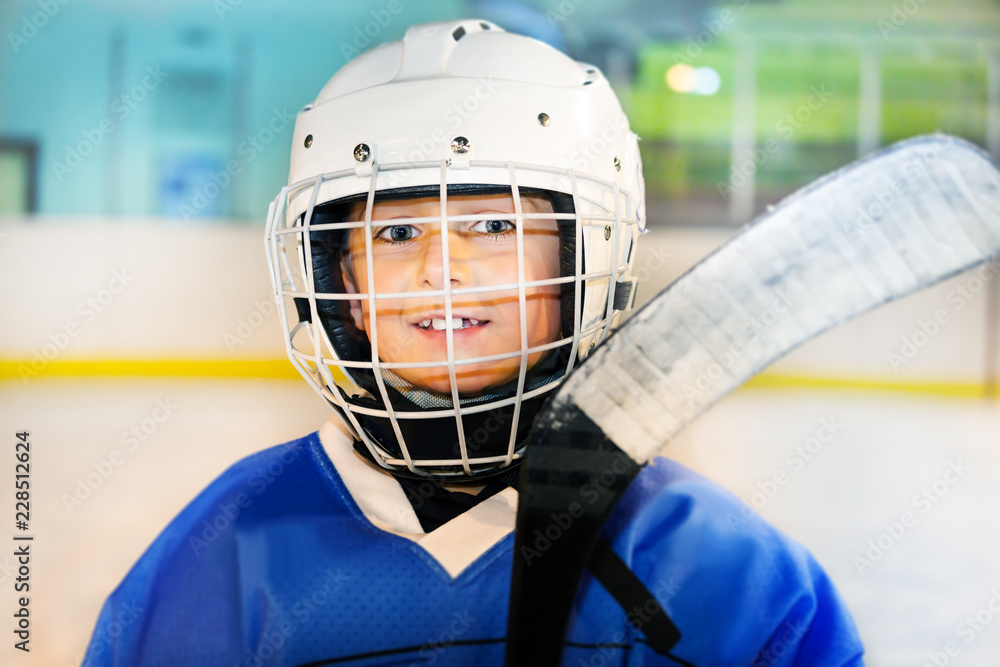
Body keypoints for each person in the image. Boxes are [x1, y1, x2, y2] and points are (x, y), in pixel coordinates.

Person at [84, 19, 865, 666]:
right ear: (342, 283)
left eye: (493, 225)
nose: (440, 269)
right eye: (395, 233)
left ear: (589, 257)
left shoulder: (731, 577)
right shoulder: (221, 553)